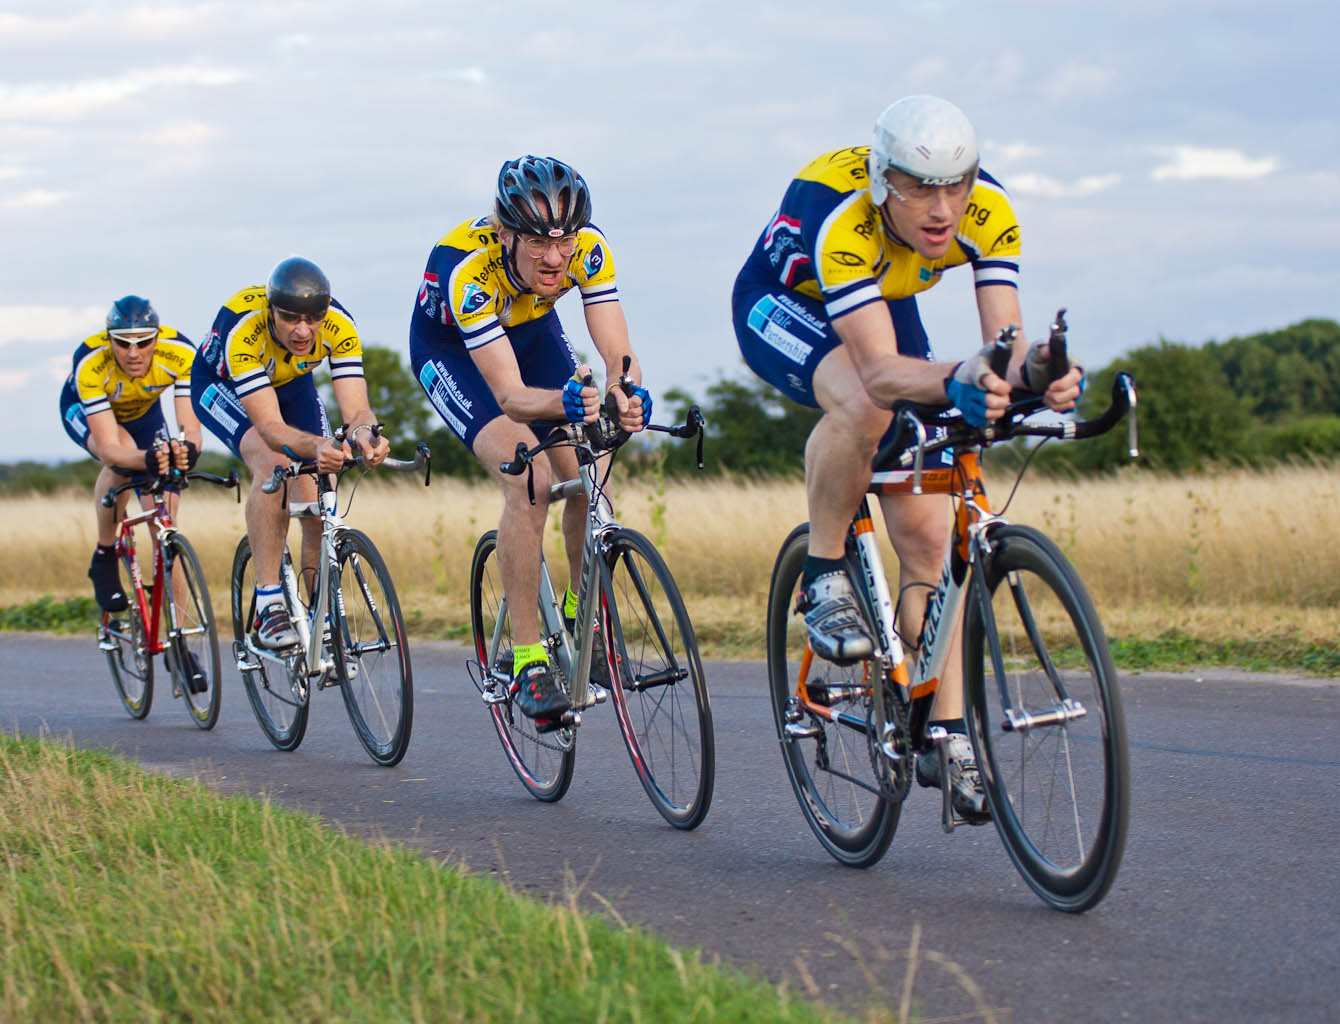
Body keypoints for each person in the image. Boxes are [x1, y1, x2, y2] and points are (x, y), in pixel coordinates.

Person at [730, 95, 1083, 822]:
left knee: (929, 537)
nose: (943, 208)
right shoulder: (843, 221)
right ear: (883, 182)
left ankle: (945, 731)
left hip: (880, 298)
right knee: (866, 405)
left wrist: (1041, 373)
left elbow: (1004, 345)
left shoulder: (989, 212)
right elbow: (886, 374)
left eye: (957, 184)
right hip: (785, 303)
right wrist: (960, 377)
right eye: (922, 187)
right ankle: (825, 573)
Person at [409, 155, 649, 722]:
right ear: (507, 233)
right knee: (531, 477)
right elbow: (514, 398)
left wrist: (625, 391)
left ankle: (578, 617)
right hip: (454, 352)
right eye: (539, 242)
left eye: (565, 243)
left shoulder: (589, 250)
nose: (556, 257)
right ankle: (526, 660)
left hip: (532, 329)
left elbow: (617, 348)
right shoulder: (469, 271)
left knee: (586, 474)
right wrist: (566, 403)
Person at [192, 257, 390, 650]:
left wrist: (366, 436)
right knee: (274, 462)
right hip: (224, 386)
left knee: (321, 491)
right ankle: (269, 604)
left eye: (313, 319)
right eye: (290, 319)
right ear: (271, 312)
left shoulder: (340, 325)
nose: (304, 330)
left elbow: (356, 411)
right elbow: (270, 429)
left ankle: (322, 616)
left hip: (292, 383)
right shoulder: (244, 331)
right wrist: (318, 446)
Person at [60, 296, 201, 616]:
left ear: (157, 336)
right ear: (110, 340)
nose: (133, 352)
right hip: (90, 413)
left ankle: (179, 638)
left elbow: (189, 429)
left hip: (145, 416)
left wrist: (185, 452)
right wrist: (148, 460)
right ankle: (105, 554)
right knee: (121, 463)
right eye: (123, 344)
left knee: (166, 526)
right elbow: (110, 448)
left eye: (143, 342)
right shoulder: (91, 361)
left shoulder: (180, 353)